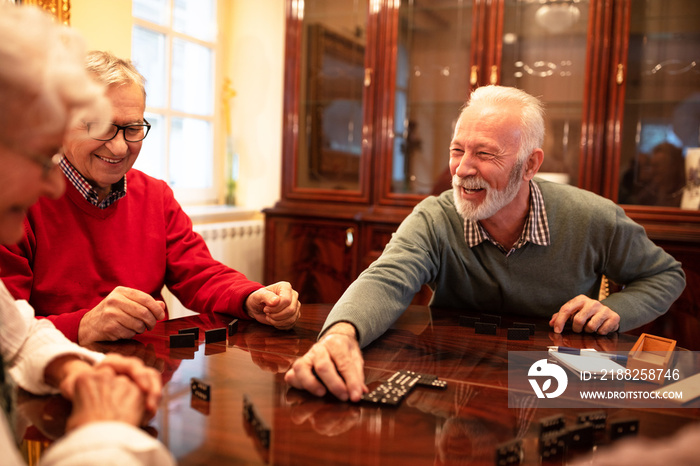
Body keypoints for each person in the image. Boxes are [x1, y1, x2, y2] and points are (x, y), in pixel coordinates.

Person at [284, 85, 686, 402]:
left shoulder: (593, 217)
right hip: (455, 379)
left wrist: (614, 310)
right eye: (457, 150)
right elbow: (385, 280)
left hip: (552, 385)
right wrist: (340, 335)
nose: (461, 169)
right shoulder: (435, 217)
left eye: (485, 154)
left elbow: (665, 275)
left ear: (530, 164)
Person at [0, 50, 301, 345]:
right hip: (56, 378)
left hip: (148, 372)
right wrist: (83, 325)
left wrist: (250, 297)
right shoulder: (16, 203)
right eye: (102, 126)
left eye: (132, 129)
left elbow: (200, 273)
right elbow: (7, 329)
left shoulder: (156, 195)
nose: (119, 148)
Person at [0, 4, 174, 464]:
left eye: (132, 128)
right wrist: (101, 432)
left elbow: (16, 335)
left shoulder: (154, 194)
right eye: (41, 156)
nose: (53, 184)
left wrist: (75, 372)